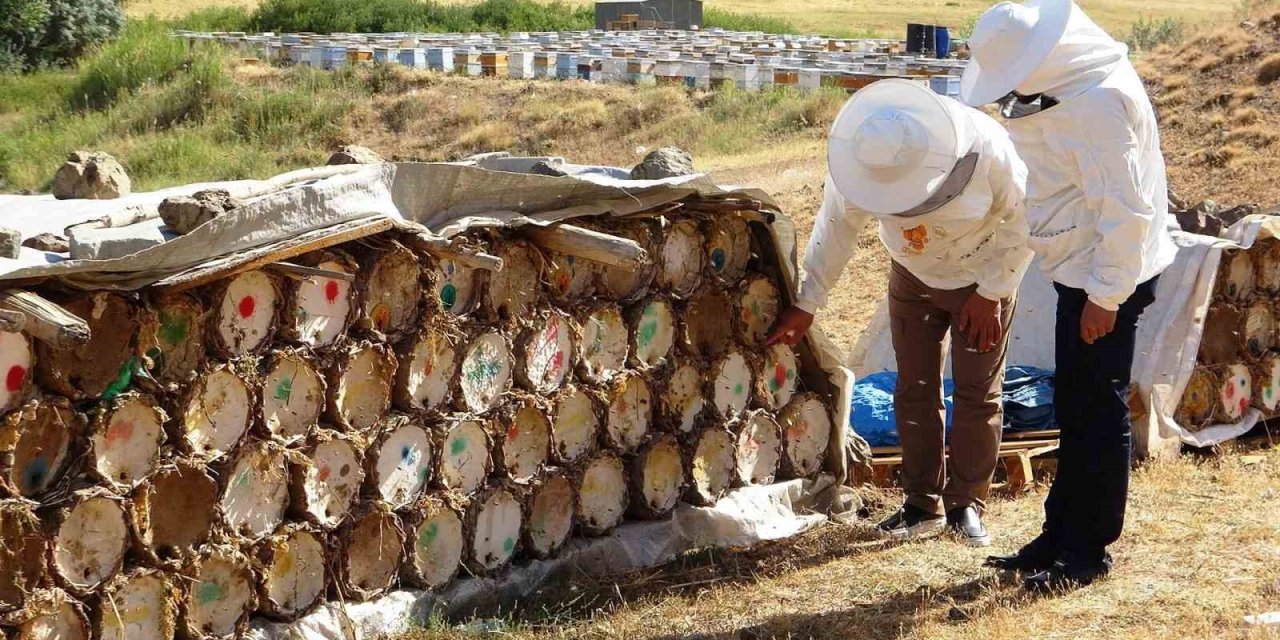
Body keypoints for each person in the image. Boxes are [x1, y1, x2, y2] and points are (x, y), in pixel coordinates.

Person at [960, 0, 1178, 591]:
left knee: (1098, 411)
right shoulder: (1071, 86)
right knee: (1077, 404)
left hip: (1110, 275)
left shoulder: (1102, 103)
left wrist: (1106, 297)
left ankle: (1087, 554)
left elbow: (1127, 211)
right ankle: (1059, 535)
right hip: (1081, 267)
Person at [769, 78, 1033, 547]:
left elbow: (1025, 221)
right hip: (911, 277)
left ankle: (965, 504)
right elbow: (835, 231)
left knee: (977, 393)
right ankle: (920, 503)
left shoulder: (987, 149)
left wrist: (992, 292)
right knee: (913, 387)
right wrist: (807, 302)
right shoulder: (861, 158)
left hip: (980, 277)